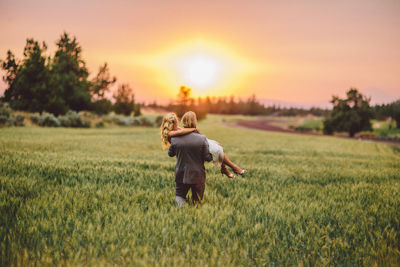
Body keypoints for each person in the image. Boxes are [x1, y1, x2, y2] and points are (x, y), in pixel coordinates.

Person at [161, 112, 247, 179]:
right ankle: (233, 168)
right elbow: (181, 132)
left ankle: (225, 169)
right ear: (171, 124)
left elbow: (183, 131)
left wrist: (192, 131)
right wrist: (193, 129)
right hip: (191, 145)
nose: (177, 125)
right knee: (217, 150)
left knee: (218, 147)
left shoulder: (176, 129)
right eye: (176, 123)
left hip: (196, 141)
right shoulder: (170, 133)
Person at [163, 112, 212, 206]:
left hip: (181, 174)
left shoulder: (175, 139)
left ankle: (180, 216)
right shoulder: (202, 138)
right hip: (198, 175)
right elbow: (208, 158)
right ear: (195, 122)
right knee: (197, 202)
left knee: (179, 197)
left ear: (182, 122)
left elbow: (170, 154)